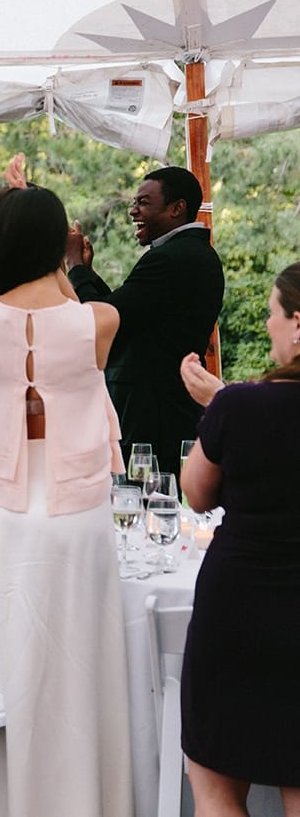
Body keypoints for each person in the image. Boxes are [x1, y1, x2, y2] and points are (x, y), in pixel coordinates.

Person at [0, 184, 132, 817]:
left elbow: (16, 319)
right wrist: (64, 266)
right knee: (83, 650)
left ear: (6, 243)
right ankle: (88, 798)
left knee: (14, 645)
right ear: (58, 246)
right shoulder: (98, 319)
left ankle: (16, 799)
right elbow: (64, 314)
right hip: (75, 505)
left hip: (3, 506)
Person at [178, 262, 300, 817]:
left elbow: (197, 494)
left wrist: (221, 407)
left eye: (274, 314)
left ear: (297, 324)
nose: (270, 326)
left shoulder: (241, 406)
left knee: (217, 782)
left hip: (241, 608)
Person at [65, 165, 224, 477]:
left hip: (154, 414)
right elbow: (129, 312)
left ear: (177, 208)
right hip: (166, 406)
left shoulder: (169, 259)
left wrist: (74, 267)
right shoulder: (190, 255)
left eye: (143, 203)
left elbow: (103, 320)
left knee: (147, 501)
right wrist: (88, 273)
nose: (133, 211)